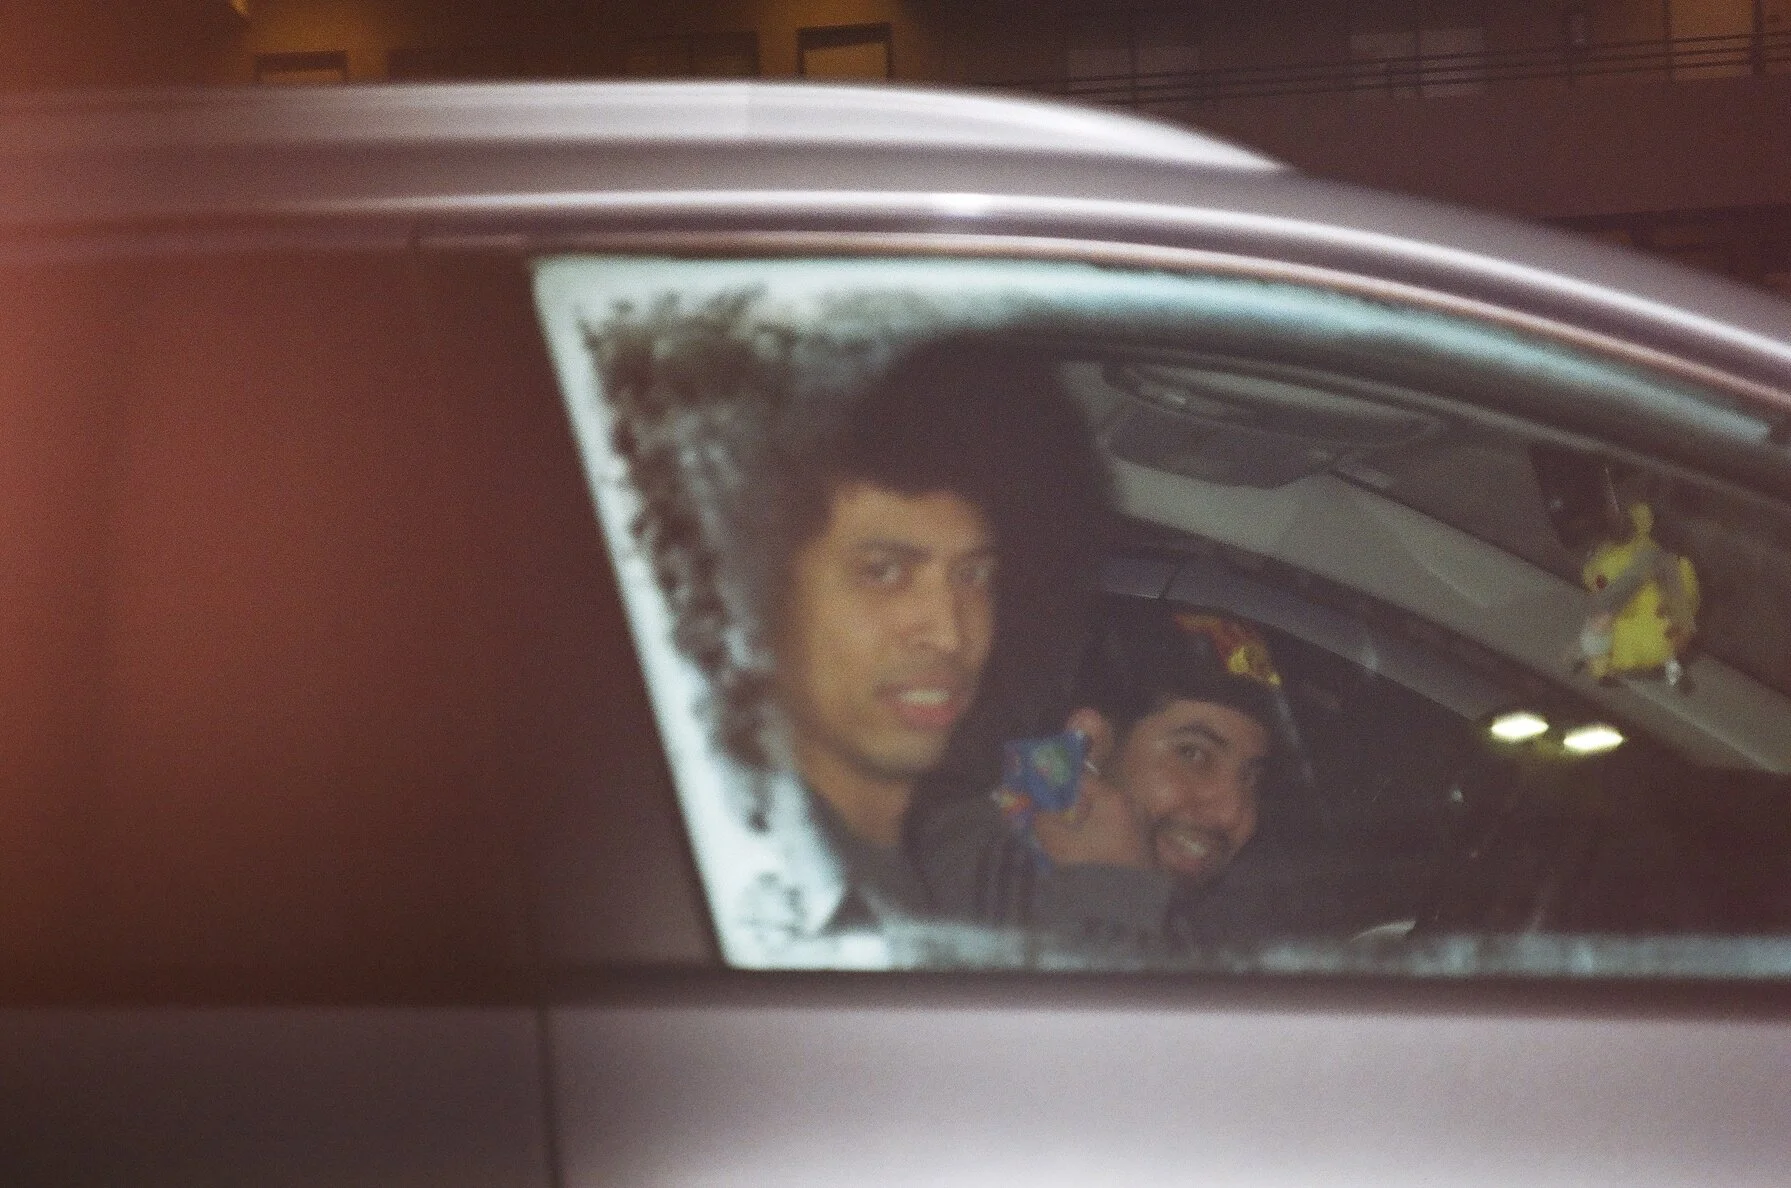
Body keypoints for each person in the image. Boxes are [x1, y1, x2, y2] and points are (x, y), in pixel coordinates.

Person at [590, 303, 1112, 934]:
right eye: (884, 572)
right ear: (761, 598)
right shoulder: (734, 889)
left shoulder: (902, 870)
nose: (949, 635)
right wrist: (1111, 892)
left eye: (974, 576)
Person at [915, 601, 1288, 949]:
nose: (1233, 812)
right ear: (1088, 744)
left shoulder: (1224, 927)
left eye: (1250, 778)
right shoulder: (957, 878)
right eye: (1192, 754)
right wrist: (1114, 890)